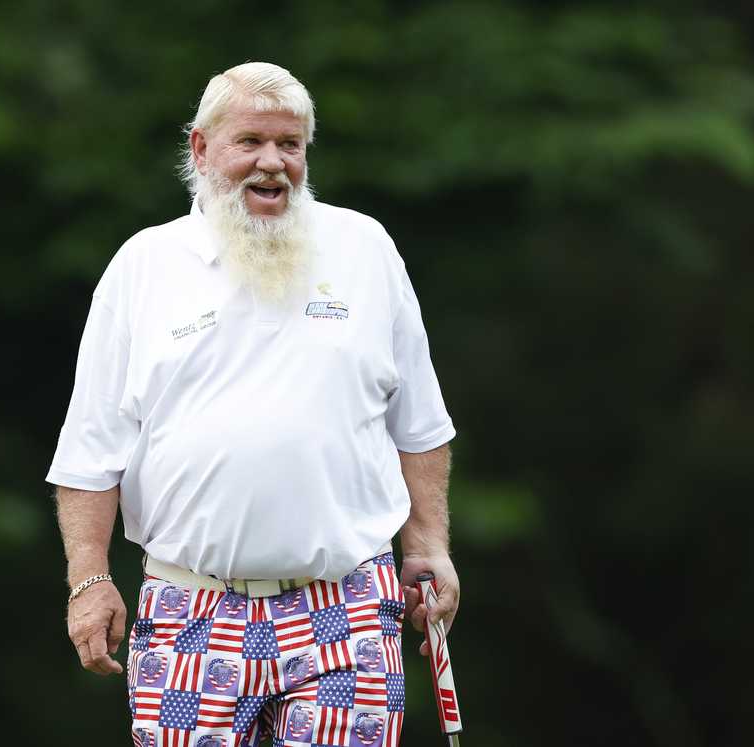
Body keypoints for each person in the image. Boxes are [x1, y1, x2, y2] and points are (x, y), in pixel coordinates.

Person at [46, 61, 458, 746]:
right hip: (189, 606)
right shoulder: (142, 267)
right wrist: (89, 580)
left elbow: (418, 425)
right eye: (251, 142)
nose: (273, 163)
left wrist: (430, 546)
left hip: (346, 606)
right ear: (202, 150)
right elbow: (90, 452)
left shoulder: (365, 249)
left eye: (290, 144)